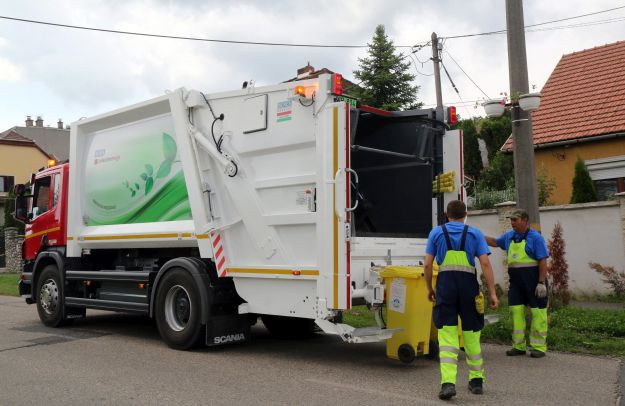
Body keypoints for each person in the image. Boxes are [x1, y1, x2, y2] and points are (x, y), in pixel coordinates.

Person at [424, 200, 499, 401]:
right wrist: (492, 292)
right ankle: (476, 381)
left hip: (446, 288)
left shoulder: (436, 233)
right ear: (465, 214)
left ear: (447, 215)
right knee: (472, 334)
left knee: (447, 336)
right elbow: (485, 263)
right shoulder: (474, 234)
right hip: (468, 288)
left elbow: (428, 265)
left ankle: (448, 384)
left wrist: (430, 289)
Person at [485, 208, 549, 358]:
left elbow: (543, 261)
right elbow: (494, 242)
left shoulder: (535, 238)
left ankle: (538, 347)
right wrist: (476, 235)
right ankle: (518, 346)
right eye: (511, 220)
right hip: (516, 283)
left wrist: (541, 282)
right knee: (516, 312)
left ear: (525, 220)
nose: (512, 222)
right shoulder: (509, 237)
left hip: (534, 281)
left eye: (515, 219)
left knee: (538, 313)